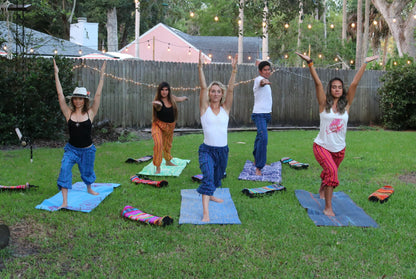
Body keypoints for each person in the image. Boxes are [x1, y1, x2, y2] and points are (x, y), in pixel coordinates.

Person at [296, 52, 378, 216]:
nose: (337, 89)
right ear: (330, 89)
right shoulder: (323, 104)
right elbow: (318, 84)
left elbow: (354, 84)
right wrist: (310, 63)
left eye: (340, 87)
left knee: (329, 172)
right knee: (332, 173)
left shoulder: (346, 104)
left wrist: (365, 63)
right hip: (322, 146)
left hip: (339, 150)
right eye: (334, 87)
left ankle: (321, 188)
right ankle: (328, 207)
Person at [53, 59, 106, 209]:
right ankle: (64, 201)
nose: (77, 101)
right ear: (73, 100)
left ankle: (89, 188)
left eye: (80, 99)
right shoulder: (68, 113)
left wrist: (102, 76)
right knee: (64, 170)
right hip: (71, 149)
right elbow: (59, 94)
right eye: (75, 98)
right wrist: (56, 74)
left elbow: (98, 95)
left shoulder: (90, 113)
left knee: (87, 172)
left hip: (87, 150)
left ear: (84, 100)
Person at [197, 51, 238, 222]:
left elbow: (231, 89)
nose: (215, 93)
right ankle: (206, 213)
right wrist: (200, 68)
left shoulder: (225, 109)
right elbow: (202, 87)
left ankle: (211, 194)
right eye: (212, 91)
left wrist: (234, 71)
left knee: (216, 177)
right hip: (207, 150)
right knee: (207, 177)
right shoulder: (204, 109)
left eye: (217, 91)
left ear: (221, 94)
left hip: (223, 151)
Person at [151, 82, 188, 174]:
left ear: (169, 91)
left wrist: (185, 98)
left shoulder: (172, 98)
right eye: (162, 90)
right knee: (158, 144)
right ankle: (158, 167)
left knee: (167, 145)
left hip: (170, 126)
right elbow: (158, 106)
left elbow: (179, 99)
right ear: (159, 91)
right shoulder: (158, 101)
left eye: (166, 90)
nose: (164, 92)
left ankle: (168, 161)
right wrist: (157, 104)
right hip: (158, 125)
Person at [252, 60, 273, 176]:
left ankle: (256, 158)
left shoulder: (267, 81)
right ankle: (259, 167)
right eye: (264, 70)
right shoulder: (258, 80)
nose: (267, 71)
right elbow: (262, 82)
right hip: (259, 115)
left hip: (266, 115)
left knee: (260, 138)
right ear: (260, 71)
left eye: (268, 69)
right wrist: (265, 81)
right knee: (264, 138)